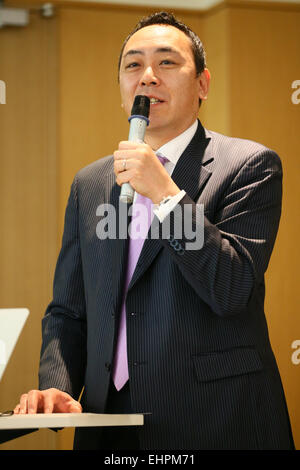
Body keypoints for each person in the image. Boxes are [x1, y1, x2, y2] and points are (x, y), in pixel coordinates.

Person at [14, 12, 294, 450]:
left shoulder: (249, 166)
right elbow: (69, 309)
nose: (147, 77)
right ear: (121, 92)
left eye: (166, 63)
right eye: (132, 65)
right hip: (108, 425)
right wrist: (58, 386)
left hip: (217, 418)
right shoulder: (91, 183)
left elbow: (232, 287)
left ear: (202, 84)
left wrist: (166, 195)